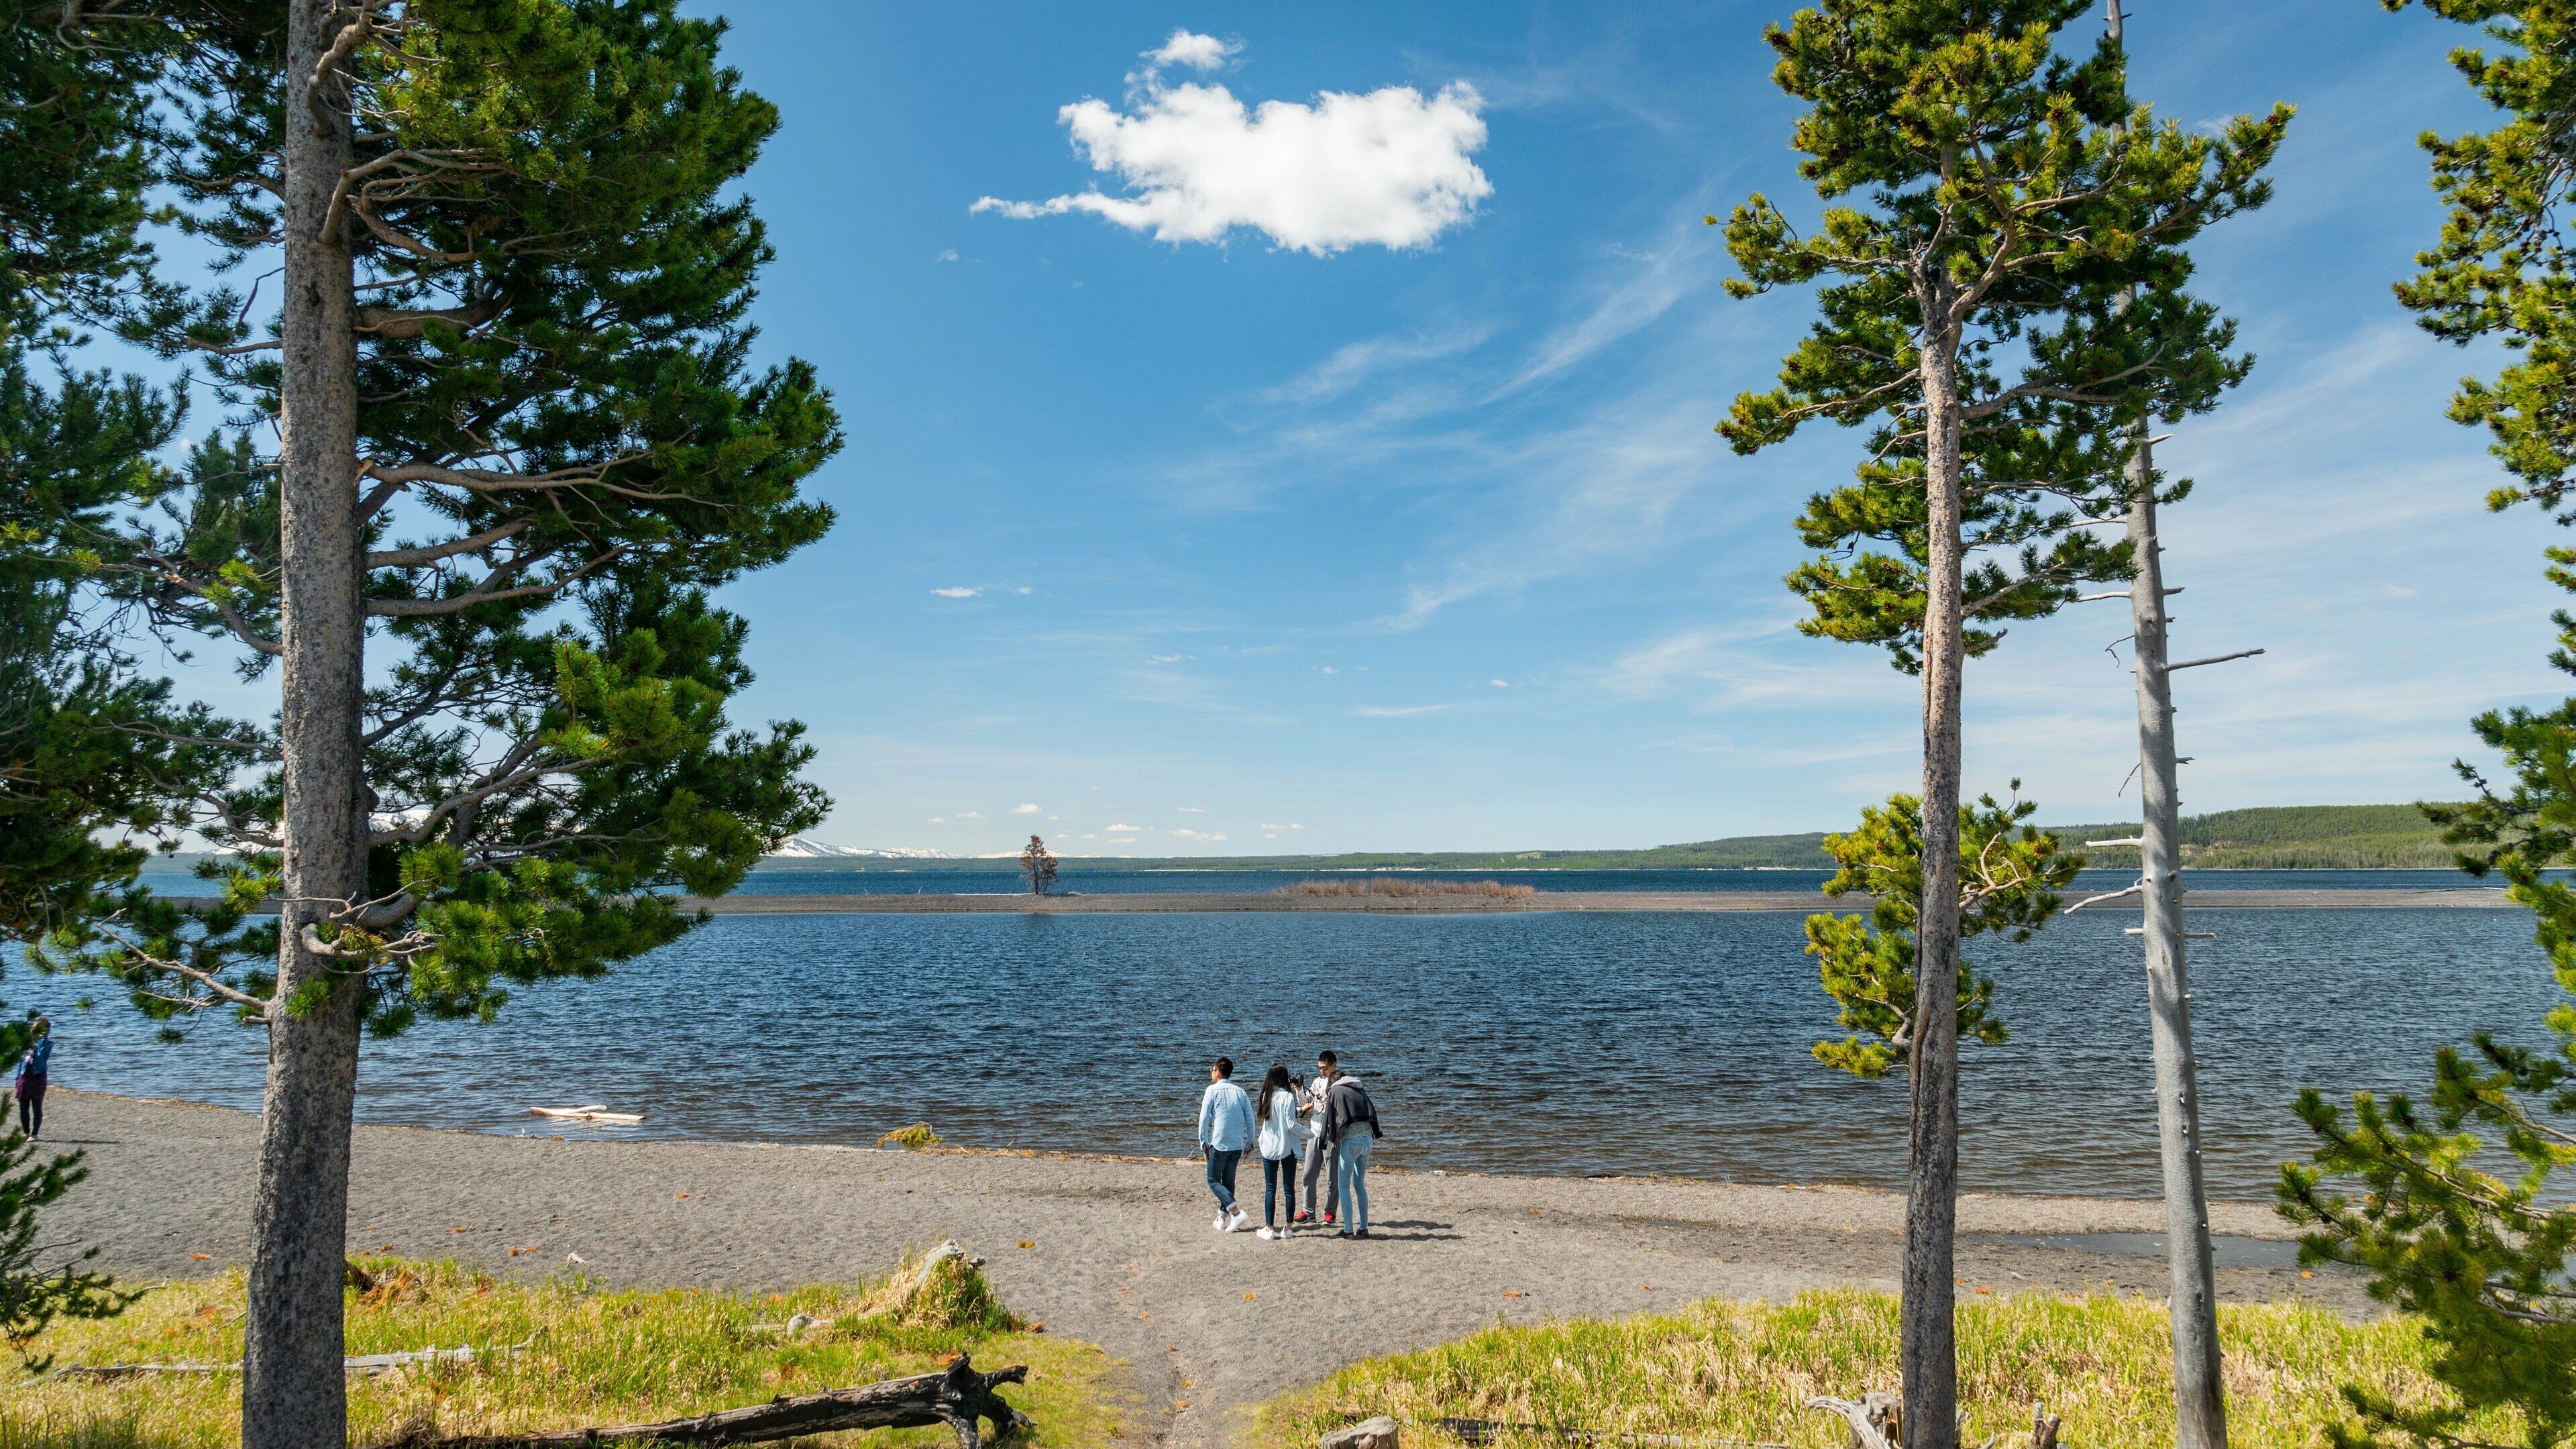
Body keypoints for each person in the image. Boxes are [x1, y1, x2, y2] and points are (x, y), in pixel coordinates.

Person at [1322, 1064, 1383, 1239]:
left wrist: (1326, 1141)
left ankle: (1348, 1230)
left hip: (1351, 1143)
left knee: (1343, 1186)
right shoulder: (1358, 1087)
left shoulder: (1336, 1091)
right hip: (1367, 1141)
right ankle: (1364, 1228)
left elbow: (1329, 1120)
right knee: (1359, 1184)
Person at [1196, 1056, 1254, 1232]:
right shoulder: (1240, 1092)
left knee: (1213, 1180)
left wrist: (1203, 1142)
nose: (1211, 1073)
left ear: (1219, 1072)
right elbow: (1250, 1118)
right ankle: (1222, 1218)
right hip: (1237, 1144)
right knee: (1228, 1182)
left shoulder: (1212, 1090)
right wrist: (1250, 1142)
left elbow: (1204, 1118)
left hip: (1220, 1144)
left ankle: (1236, 1212)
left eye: (1212, 1070)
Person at [1252, 1063, 1305, 1240]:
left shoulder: (1266, 1096)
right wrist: (1307, 1132)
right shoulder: (1288, 1096)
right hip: (1287, 1146)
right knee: (1289, 1188)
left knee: (1270, 1189)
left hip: (1269, 1146)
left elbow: (1273, 1117)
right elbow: (1290, 1123)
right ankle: (1288, 1228)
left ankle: (1269, 1228)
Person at [1295, 1051, 1339, 1226]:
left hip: (1331, 1135)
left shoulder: (1339, 1083)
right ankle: (1308, 1211)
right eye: (1320, 1068)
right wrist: (1299, 1089)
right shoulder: (1317, 1082)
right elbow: (1304, 1102)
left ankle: (1330, 1212)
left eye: (1325, 1068)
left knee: (1332, 1177)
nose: (1322, 1071)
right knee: (1308, 1175)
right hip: (1314, 1132)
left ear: (1334, 1065)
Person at [14, 1016, 52, 1142]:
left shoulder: (47, 1044)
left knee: (37, 1107)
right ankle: (26, 1133)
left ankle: (35, 1134)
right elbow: (21, 1062)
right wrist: (17, 1079)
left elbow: (41, 1054)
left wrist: (42, 1036)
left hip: (38, 1076)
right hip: (25, 1076)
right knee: (23, 1106)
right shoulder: (27, 1043)